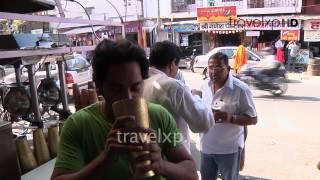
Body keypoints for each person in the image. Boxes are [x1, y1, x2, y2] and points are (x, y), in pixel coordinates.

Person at [51, 39, 198, 180]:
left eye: (135, 87)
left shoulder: (160, 116)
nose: (128, 97)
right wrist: (105, 160)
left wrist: (161, 166)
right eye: (116, 89)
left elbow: (191, 173)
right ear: (99, 86)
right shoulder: (79, 125)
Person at [143, 41, 214, 154]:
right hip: (174, 157)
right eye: (177, 65)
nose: (177, 70)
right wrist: (195, 96)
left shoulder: (138, 83)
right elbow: (203, 122)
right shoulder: (174, 87)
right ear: (172, 64)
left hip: (145, 154)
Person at [200, 52, 257, 180]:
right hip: (206, 147)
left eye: (219, 67)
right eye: (210, 67)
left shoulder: (240, 89)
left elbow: (253, 119)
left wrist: (230, 118)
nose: (214, 71)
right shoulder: (205, 86)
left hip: (228, 150)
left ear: (228, 69)